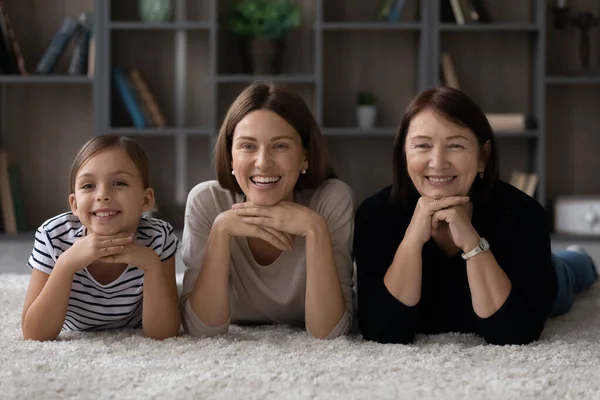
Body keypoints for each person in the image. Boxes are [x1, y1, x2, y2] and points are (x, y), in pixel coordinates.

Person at [354, 86, 598, 346]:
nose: (437, 162)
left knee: (571, 271)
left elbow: (516, 332)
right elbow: (382, 331)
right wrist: (412, 241)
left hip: (547, 277)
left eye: (456, 145)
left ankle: (580, 258)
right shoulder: (375, 215)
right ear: (404, 153)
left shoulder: (523, 215)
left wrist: (472, 243)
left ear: (483, 156)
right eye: (422, 145)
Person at [180, 81, 355, 339]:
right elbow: (202, 330)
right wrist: (221, 230)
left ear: (305, 156)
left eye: (280, 146)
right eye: (248, 146)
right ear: (230, 156)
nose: (263, 162)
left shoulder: (331, 199)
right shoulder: (206, 202)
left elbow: (329, 333)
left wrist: (314, 228)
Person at [21, 135, 181, 341]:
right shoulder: (53, 235)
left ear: (146, 199)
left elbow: (164, 334)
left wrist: (151, 264)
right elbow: (34, 334)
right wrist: (65, 264)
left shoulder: (158, 237)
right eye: (88, 186)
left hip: (135, 323)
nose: (102, 195)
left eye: (119, 183)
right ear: (74, 204)